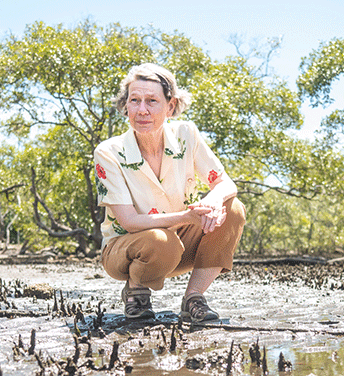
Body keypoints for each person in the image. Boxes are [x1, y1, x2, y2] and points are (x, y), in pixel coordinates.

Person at [93, 63, 246, 323]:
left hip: (179, 245)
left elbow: (226, 184)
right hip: (126, 249)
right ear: (126, 106)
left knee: (233, 208)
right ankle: (136, 290)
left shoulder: (186, 134)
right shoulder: (108, 152)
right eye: (135, 101)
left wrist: (211, 202)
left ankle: (194, 298)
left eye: (152, 101)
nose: (142, 110)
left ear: (170, 107)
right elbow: (129, 221)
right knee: (160, 241)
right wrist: (188, 217)